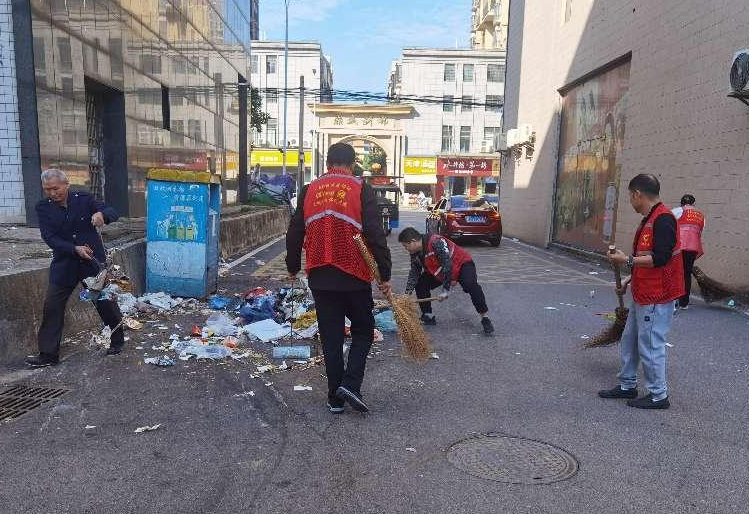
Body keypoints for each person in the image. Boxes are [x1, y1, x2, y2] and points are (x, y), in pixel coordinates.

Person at [286, 143, 391, 414]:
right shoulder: (360, 188)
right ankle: (351, 385)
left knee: (331, 338)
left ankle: (335, 399)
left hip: (320, 274)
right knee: (364, 331)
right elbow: (375, 233)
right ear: (352, 162)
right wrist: (385, 273)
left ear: (328, 162)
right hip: (354, 273)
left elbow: (296, 229)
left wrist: (292, 265)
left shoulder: (310, 190)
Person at [599, 174, 685, 409]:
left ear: (638, 194)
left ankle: (659, 395)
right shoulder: (651, 218)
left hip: (658, 296)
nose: (630, 200)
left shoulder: (663, 219)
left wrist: (626, 261)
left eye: (630, 196)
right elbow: (648, 257)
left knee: (650, 343)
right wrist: (629, 278)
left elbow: (661, 258)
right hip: (643, 291)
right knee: (630, 339)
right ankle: (628, 384)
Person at [26, 169, 125, 368]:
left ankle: (117, 341)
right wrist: (74, 249)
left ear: (66, 185)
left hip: (92, 263)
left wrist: (101, 215)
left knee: (105, 303)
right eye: (48, 190)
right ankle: (48, 354)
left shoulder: (84, 199)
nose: (53, 193)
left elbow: (113, 212)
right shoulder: (43, 207)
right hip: (65, 264)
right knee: (52, 307)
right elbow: (50, 237)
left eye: (56, 188)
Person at [397, 227, 494, 335]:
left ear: (413, 242)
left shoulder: (436, 241)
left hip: (461, 264)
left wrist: (445, 290)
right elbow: (414, 272)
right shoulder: (415, 253)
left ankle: (485, 318)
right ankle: (428, 315)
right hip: (441, 271)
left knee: (470, 285)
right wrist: (407, 293)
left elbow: (447, 264)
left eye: (405, 246)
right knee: (421, 284)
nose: (406, 249)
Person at [672, 194, 705, 309]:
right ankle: (684, 303)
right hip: (692, 248)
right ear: (693, 203)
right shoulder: (701, 215)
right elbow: (700, 230)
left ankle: (673, 301)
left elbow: (667, 222)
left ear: (681, 203)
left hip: (678, 247)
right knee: (686, 274)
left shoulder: (677, 211)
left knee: (675, 272)